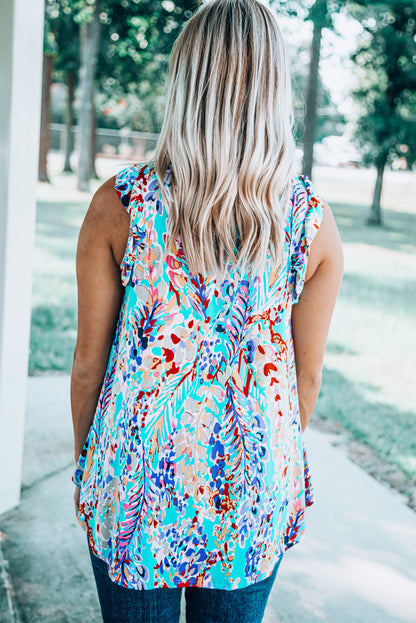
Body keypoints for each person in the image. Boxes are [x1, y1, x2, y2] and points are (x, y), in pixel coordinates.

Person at [70, 0, 343, 621]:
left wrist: (93, 471)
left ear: (187, 84)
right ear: (274, 90)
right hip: (253, 481)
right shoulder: (311, 223)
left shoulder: (120, 204)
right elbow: (306, 378)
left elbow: (89, 366)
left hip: (136, 477)